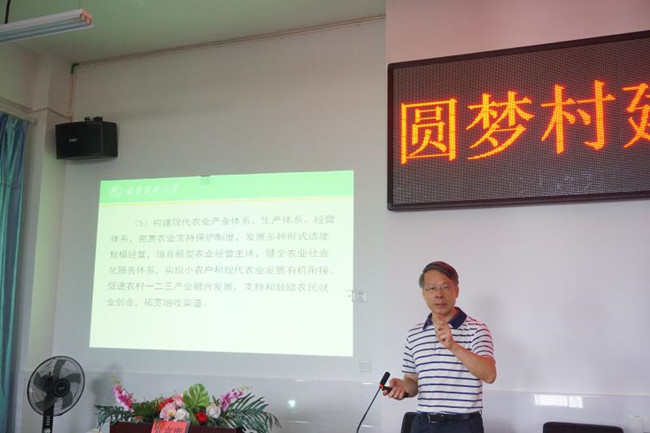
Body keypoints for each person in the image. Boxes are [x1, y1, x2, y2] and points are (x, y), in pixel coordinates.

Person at [385, 261, 496, 433]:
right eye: (431, 288)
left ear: (456, 290)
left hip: (462, 425)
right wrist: (403, 387)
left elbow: (489, 375)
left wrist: (453, 346)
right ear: (423, 293)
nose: (438, 294)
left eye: (445, 287)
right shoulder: (414, 333)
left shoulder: (477, 329)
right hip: (423, 424)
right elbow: (412, 381)